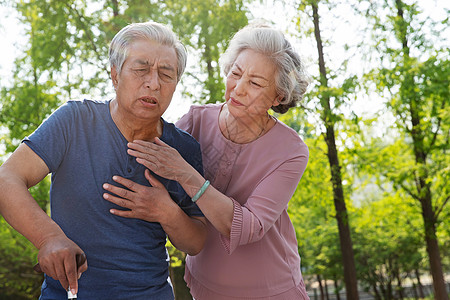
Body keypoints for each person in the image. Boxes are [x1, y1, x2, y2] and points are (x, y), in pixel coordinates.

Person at [0, 21, 207, 299]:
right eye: (141, 69)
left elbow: (195, 242)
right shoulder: (74, 121)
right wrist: (48, 237)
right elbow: (7, 179)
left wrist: (164, 211)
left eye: (166, 74)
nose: (153, 83)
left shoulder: (184, 148)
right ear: (115, 75)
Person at [104, 22, 311, 299]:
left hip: (271, 289)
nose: (238, 88)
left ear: (279, 95)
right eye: (235, 74)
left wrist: (186, 174)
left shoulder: (290, 150)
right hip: (203, 287)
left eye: (255, 83)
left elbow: (250, 227)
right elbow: (140, 160)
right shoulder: (196, 120)